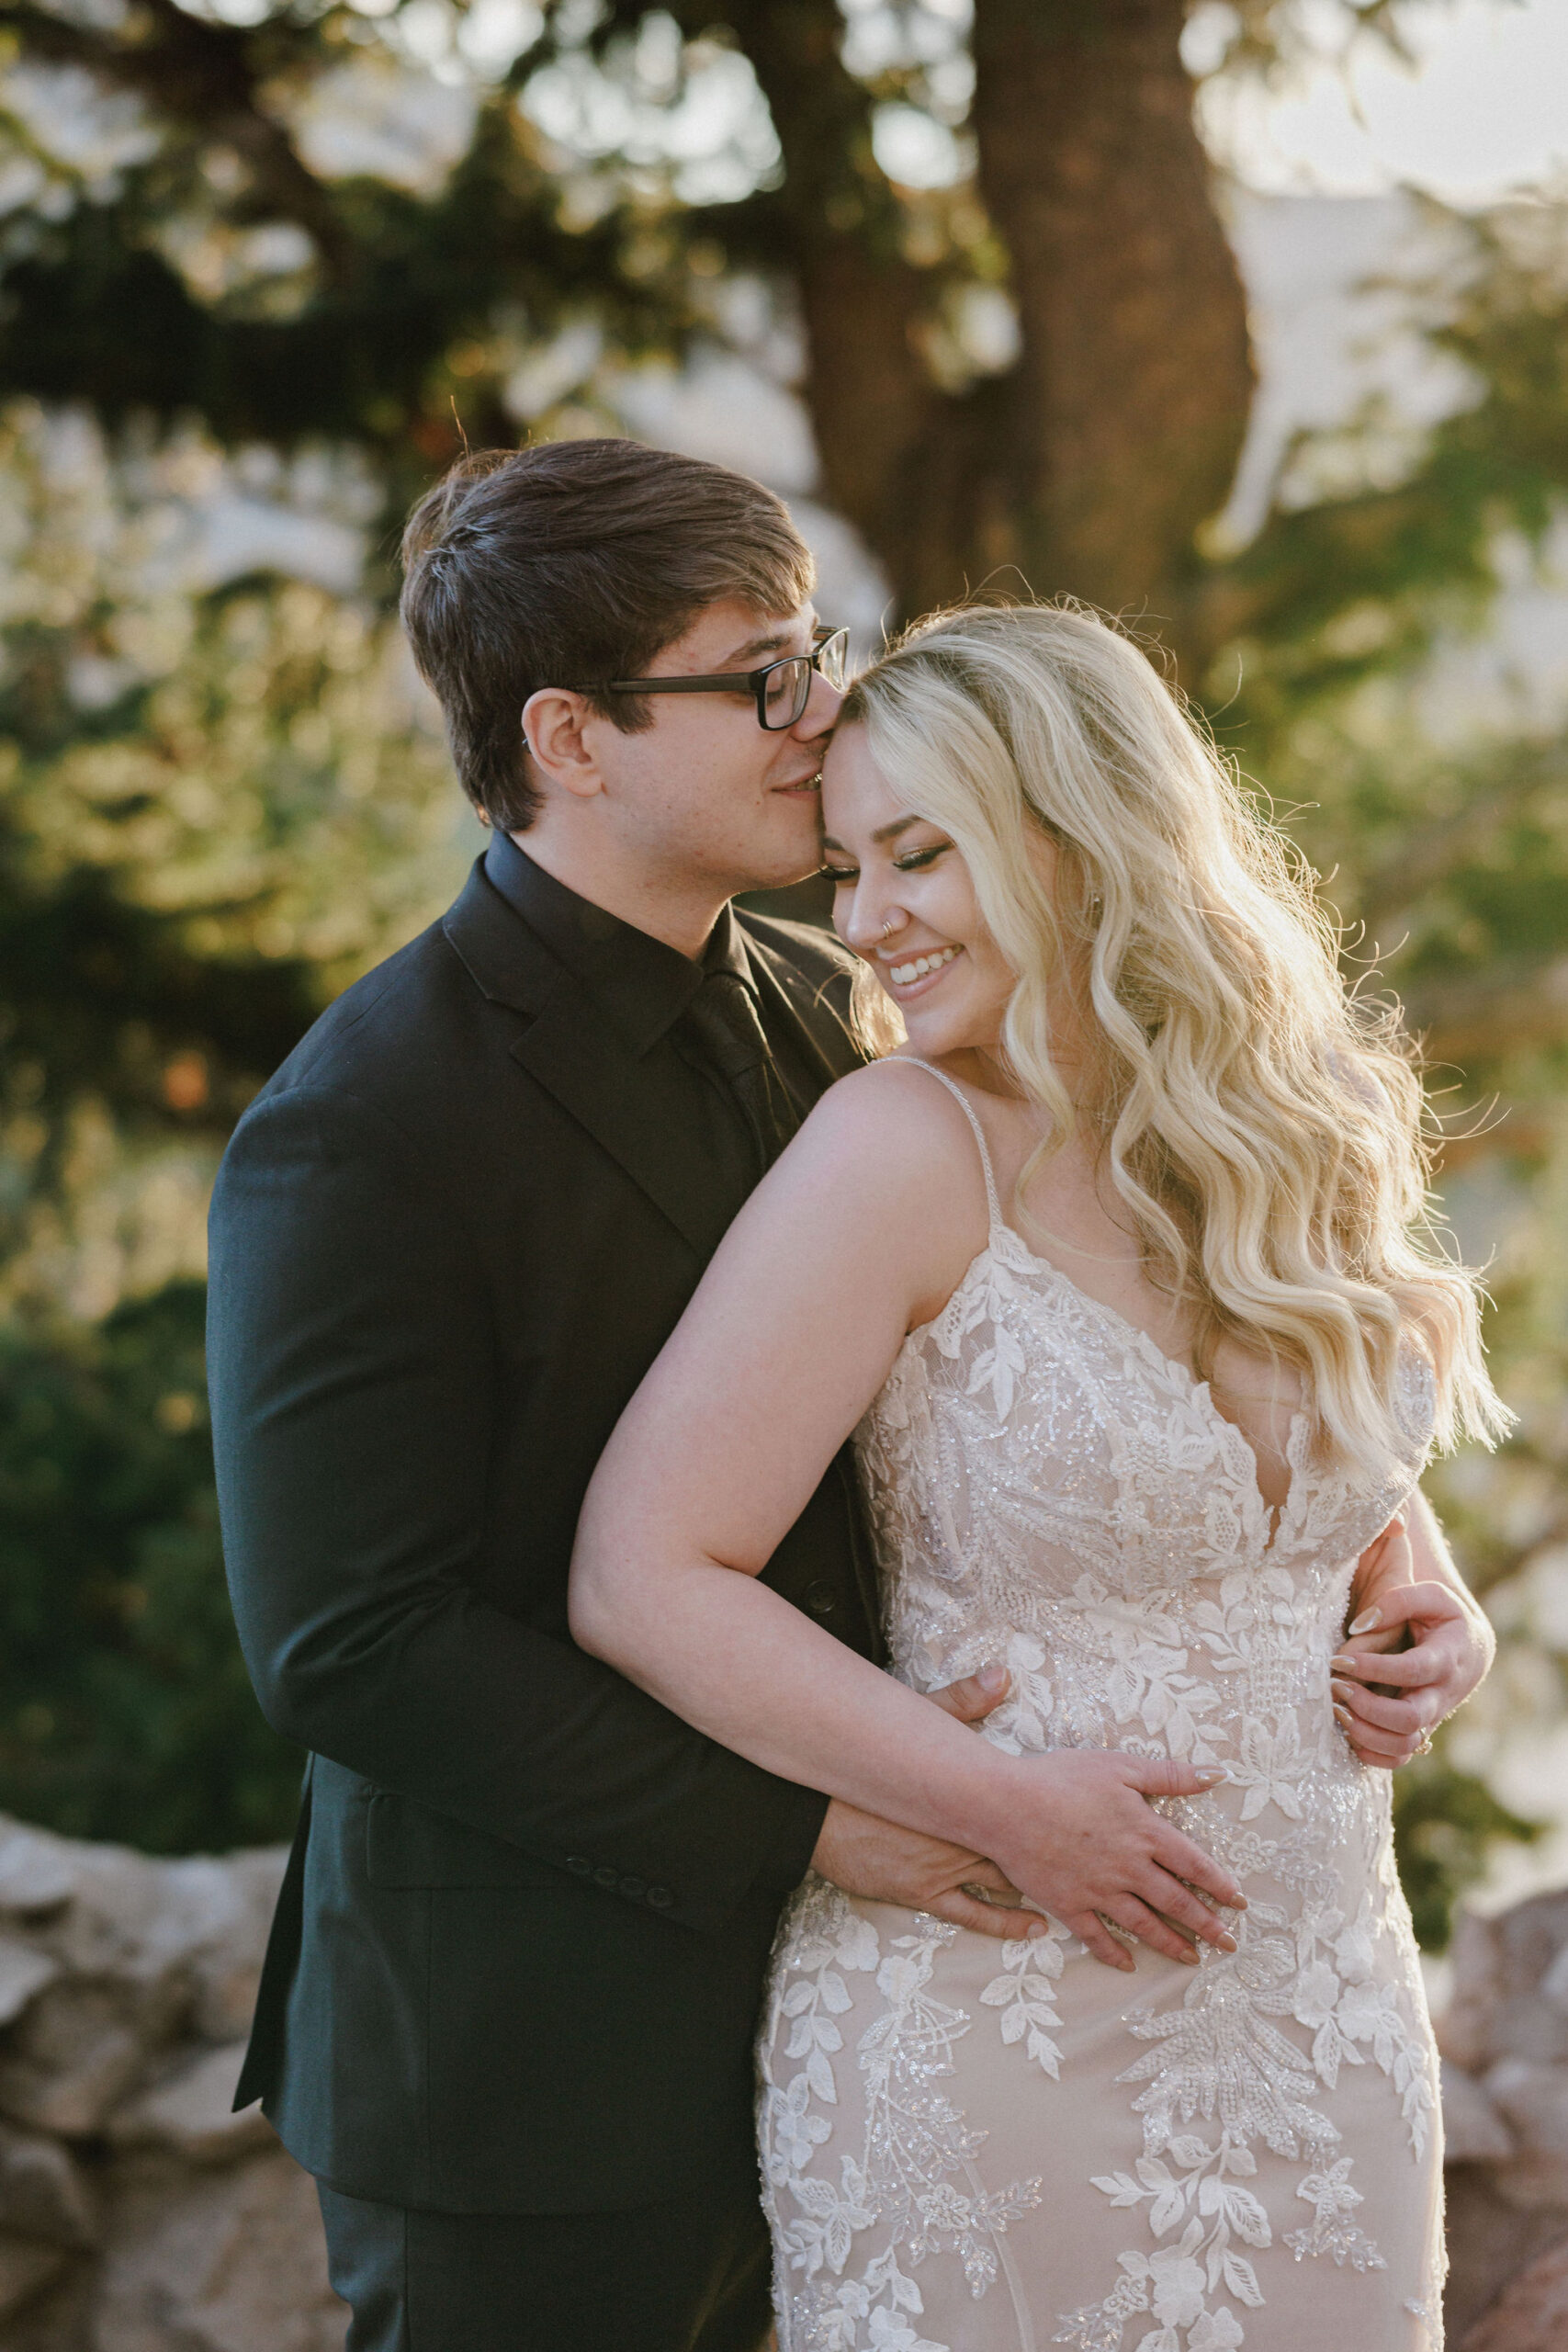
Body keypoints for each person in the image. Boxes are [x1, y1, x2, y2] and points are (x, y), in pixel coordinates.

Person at [209, 442, 1249, 2352]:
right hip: (526, 2063)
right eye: (758, 676)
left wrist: (1365, 1545)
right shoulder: (364, 1124)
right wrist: (811, 1826)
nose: (822, 712)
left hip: (861, 2028)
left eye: (816, 651)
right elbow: (348, 1639)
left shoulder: (825, 994)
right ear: (572, 737)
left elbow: (1080, 1304)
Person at [568, 601, 1506, 2350]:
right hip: (993, 2018)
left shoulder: (1292, 1121)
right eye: (845, 870)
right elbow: (644, 1572)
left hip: (1323, 2020)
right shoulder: (902, 1150)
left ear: (1079, 835)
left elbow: (1323, 1471)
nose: (866, 924)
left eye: (919, 855)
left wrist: (1415, 1588)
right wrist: (999, 1805)